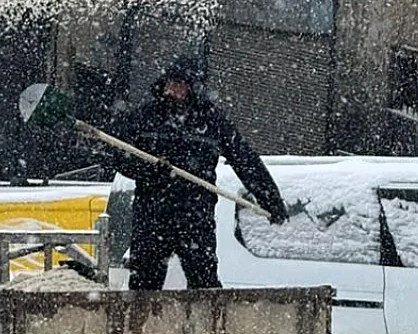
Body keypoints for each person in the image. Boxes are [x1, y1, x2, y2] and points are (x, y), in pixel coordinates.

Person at [106, 58, 289, 290]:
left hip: (195, 216)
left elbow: (245, 160)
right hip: (152, 215)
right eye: (168, 85)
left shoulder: (210, 120)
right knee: (144, 286)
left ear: (192, 88)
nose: (171, 91)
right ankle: (141, 325)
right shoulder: (146, 117)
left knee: (204, 285)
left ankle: (209, 325)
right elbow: (119, 155)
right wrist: (148, 171)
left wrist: (270, 198)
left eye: (179, 85)